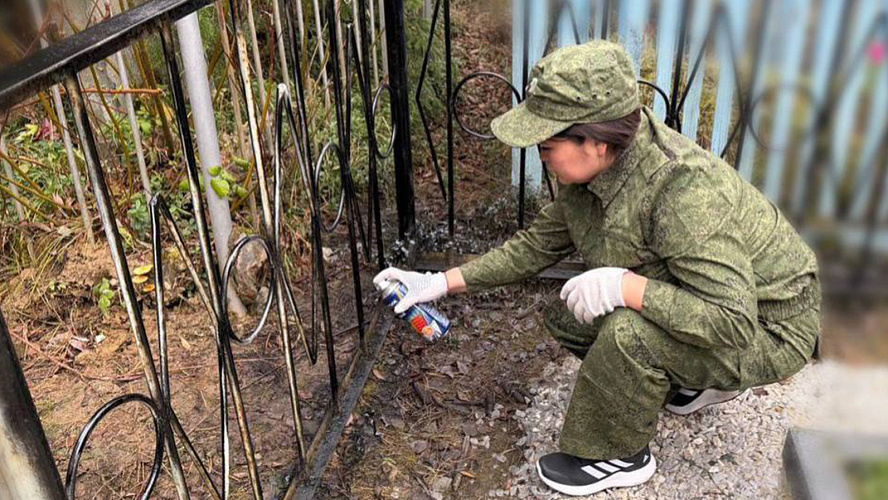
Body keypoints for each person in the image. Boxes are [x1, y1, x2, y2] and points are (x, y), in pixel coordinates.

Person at [373, 40, 821, 497]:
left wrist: (626, 287)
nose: (540, 155)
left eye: (548, 144)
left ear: (596, 141)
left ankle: (619, 454)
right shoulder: (595, 174)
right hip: (716, 308)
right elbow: (533, 247)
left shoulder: (682, 193)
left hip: (769, 326)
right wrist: (438, 283)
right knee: (572, 315)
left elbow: (733, 320)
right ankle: (687, 382)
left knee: (628, 334)